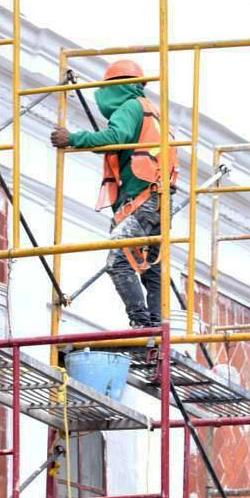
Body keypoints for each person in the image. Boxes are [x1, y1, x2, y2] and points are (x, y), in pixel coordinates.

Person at [50, 59, 178, 327]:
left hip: (143, 202)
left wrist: (73, 139)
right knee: (152, 266)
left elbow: (115, 136)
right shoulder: (154, 115)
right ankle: (156, 326)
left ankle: (141, 323)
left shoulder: (130, 107)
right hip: (160, 204)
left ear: (116, 87)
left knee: (118, 261)